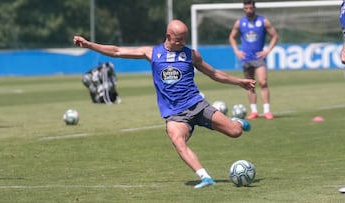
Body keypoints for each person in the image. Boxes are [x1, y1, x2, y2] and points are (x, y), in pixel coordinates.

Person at [73, 19, 256, 189]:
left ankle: (238, 122)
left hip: (197, 105)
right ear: (168, 37)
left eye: (185, 39)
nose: (182, 43)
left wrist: (239, 82)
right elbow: (117, 51)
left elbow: (214, 73)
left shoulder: (191, 55)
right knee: (177, 140)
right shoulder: (152, 53)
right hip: (175, 114)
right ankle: (205, 177)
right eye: (179, 39)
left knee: (235, 132)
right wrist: (89, 45)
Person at [229, 0, 278, 120]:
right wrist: (236, 51)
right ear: (243, 9)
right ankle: (254, 111)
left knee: (263, 82)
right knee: (250, 85)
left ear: (254, 8)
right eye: (246, 8)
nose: (249, 10)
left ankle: (267, 111)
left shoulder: (263, 21)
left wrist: (267, 51)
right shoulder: (240, 23)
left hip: (259, 57)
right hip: (246, 58)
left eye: (250, 8)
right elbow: (232, 37)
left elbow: (275, 36)